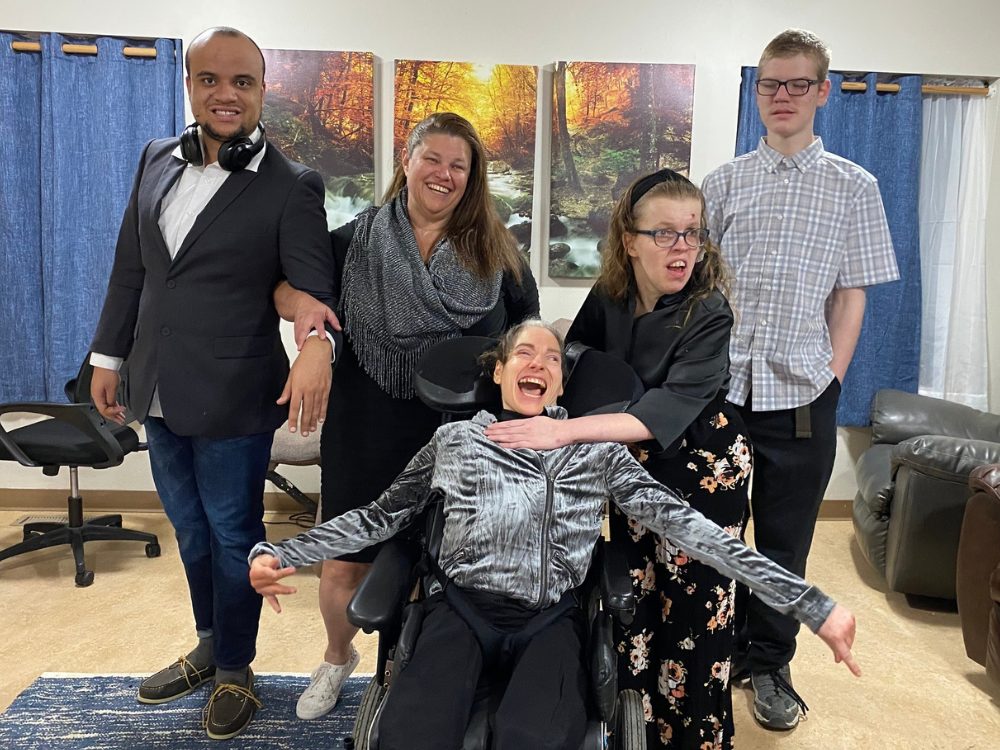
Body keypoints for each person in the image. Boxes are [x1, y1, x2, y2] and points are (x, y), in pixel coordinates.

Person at [249, 320, 860, 750]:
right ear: (499, 372)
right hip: (457, 611)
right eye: (524, 354)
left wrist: (813, 605)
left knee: (536, 737)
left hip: (551, 620)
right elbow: (377, 517)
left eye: (551, 359)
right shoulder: (456, 441)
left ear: (562, 386)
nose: (538, 364)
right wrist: (279, 550)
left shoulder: (596, 450)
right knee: (411, 736)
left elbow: (694, 530)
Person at [89, 27, 335, 740]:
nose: (225, 94)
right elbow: (130, 268)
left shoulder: (292, 185)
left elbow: (309, 288)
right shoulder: (154, 159)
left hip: (233, 393)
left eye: (243, 82)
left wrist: (314, 344)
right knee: (189, 531)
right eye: (209, 80)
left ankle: (236, 669)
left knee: (233, 537)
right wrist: (109, 357)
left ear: (263, 90)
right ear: (189, 83)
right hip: (155, 384)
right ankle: (208, 642)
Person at [272, 112, 539, 720]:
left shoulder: (498, 250)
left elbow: (526, 326)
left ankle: (418, 668)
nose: (444, 174)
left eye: (459, 166)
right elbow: (289, 288)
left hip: (459, 433)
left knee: (443, 565)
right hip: (367, 423)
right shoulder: (354, 240)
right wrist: (311, 333)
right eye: (433, 159)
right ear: (407, 161)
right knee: (344, 561)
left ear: (472, 179)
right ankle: (338, 659)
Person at [487, 169, 751, 748]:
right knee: (631, 603)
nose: (681, 248)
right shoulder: (612, 293)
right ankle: (633, 734)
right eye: (665, 233)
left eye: (692, 233)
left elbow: (660, 413)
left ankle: (692, 740)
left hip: (701, 473)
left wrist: (563, 434)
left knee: (693, 618)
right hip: (629, 470)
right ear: (629, 239)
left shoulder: (709, 312)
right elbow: (575, 353)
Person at [700, 28, 899, 730]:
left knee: (784, 543)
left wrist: (832, 379)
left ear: (821, 91)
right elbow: (699, 289)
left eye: (796, 84)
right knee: (711, 532)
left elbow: (853, 293)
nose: (781, 97)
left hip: (802, 397)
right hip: (719, 394)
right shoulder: (720, 184)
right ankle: (707, 654)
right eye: (769, 84)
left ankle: (767, 663)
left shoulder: (854, 186)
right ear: (756, 93)